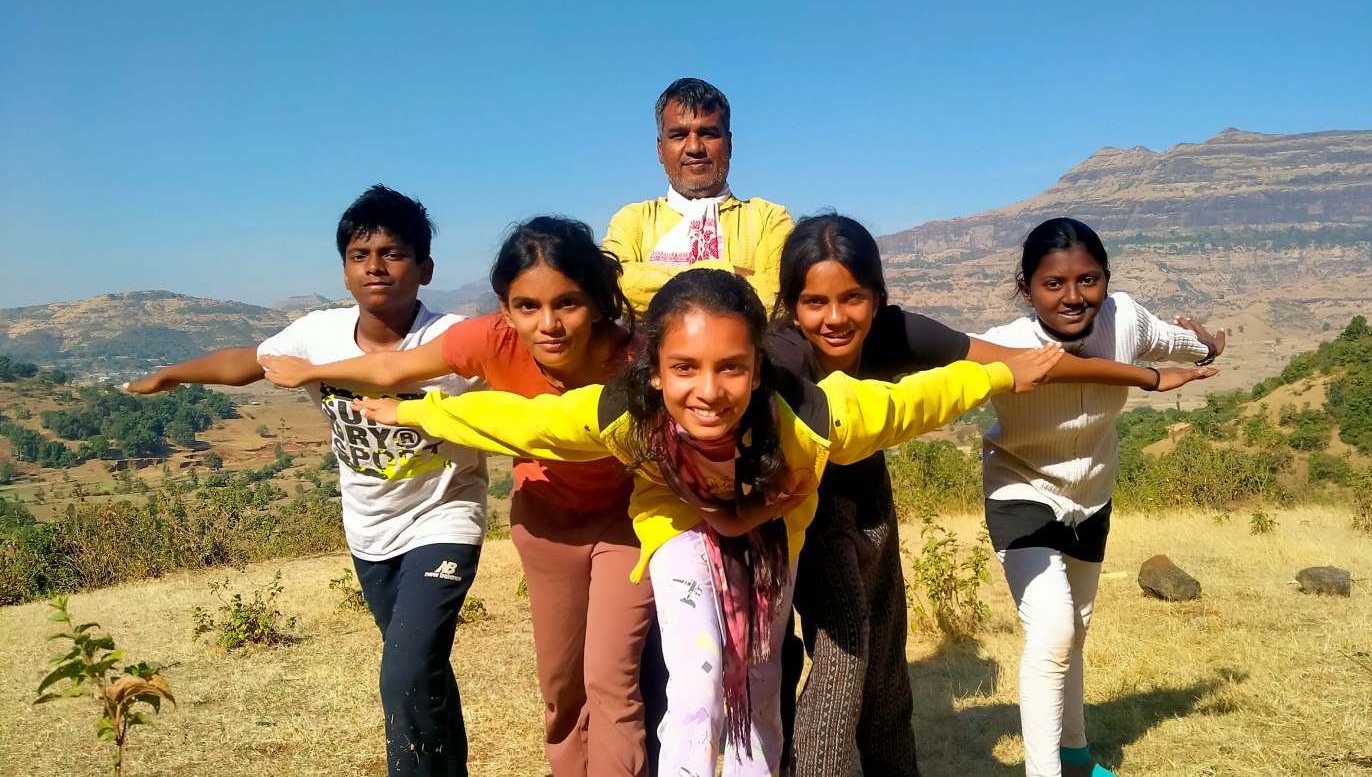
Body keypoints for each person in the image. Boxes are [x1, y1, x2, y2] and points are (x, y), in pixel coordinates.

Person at [349, 268, 1064, 777]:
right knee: (696, 676)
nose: (709, 391)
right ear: (655, 370)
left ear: (758, 368)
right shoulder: (624, 412)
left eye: (731, 368)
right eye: (685, 367)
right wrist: (414, 409)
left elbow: (919, 400)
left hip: (769, 541)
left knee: (755, 685)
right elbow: (524, 422)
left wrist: (1004, 373)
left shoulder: (813, 417)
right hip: (682, 535)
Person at [765, 213, 1218, 777]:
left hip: (869, 491)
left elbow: (1034, 365)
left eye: (852, 298)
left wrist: (1175, 363)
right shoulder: (780, 359)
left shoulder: (897, 331)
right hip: (793, 507)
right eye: (814, 302)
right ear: (791, 304)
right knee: (843, 657)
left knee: (885, 659)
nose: (835, 318)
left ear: (877, 297)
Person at [259, 216, 651, 777]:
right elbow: (393, 365)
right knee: (561, 690)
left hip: (628, 521)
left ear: (596, 301)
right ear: (505, 306)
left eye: (568, 303)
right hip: (546, 524)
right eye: (527, 307)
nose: (549, 325)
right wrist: (315, 372)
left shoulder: (633, 356)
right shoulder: (490, 338)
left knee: (611, 681)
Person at [124, 185, 487, 777]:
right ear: (344, 272)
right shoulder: (318, 332)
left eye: (393, 253)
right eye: (358, 255)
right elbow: (247, 362)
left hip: (445, 516)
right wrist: (172, 375)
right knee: (420, 669)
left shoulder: (454, 339)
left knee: (405, 668)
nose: (375, 267)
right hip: (368, 529)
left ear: (424, 268)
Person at [978, 217, 1225, 777]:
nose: (1073, 297)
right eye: (1053, 284)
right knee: (1052, 628)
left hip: (1092, 493)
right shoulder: (1008, 345)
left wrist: (1205, 344)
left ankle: (1077, 755)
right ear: (1027, 289)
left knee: (1077, 627)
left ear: (1106, 281)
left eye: (1088, 280)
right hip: (1021, 488)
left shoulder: (1125, 319)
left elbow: (1176, 341)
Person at [602, 77, 794, 315]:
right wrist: (730, 273)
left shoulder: (769, 219)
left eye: (708, 133)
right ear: (660, 149)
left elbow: (776, 298)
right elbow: (611, 287)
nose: (694, 148)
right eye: (679, 135)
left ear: (730, 144)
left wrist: (651, 278)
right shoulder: (632, 221)